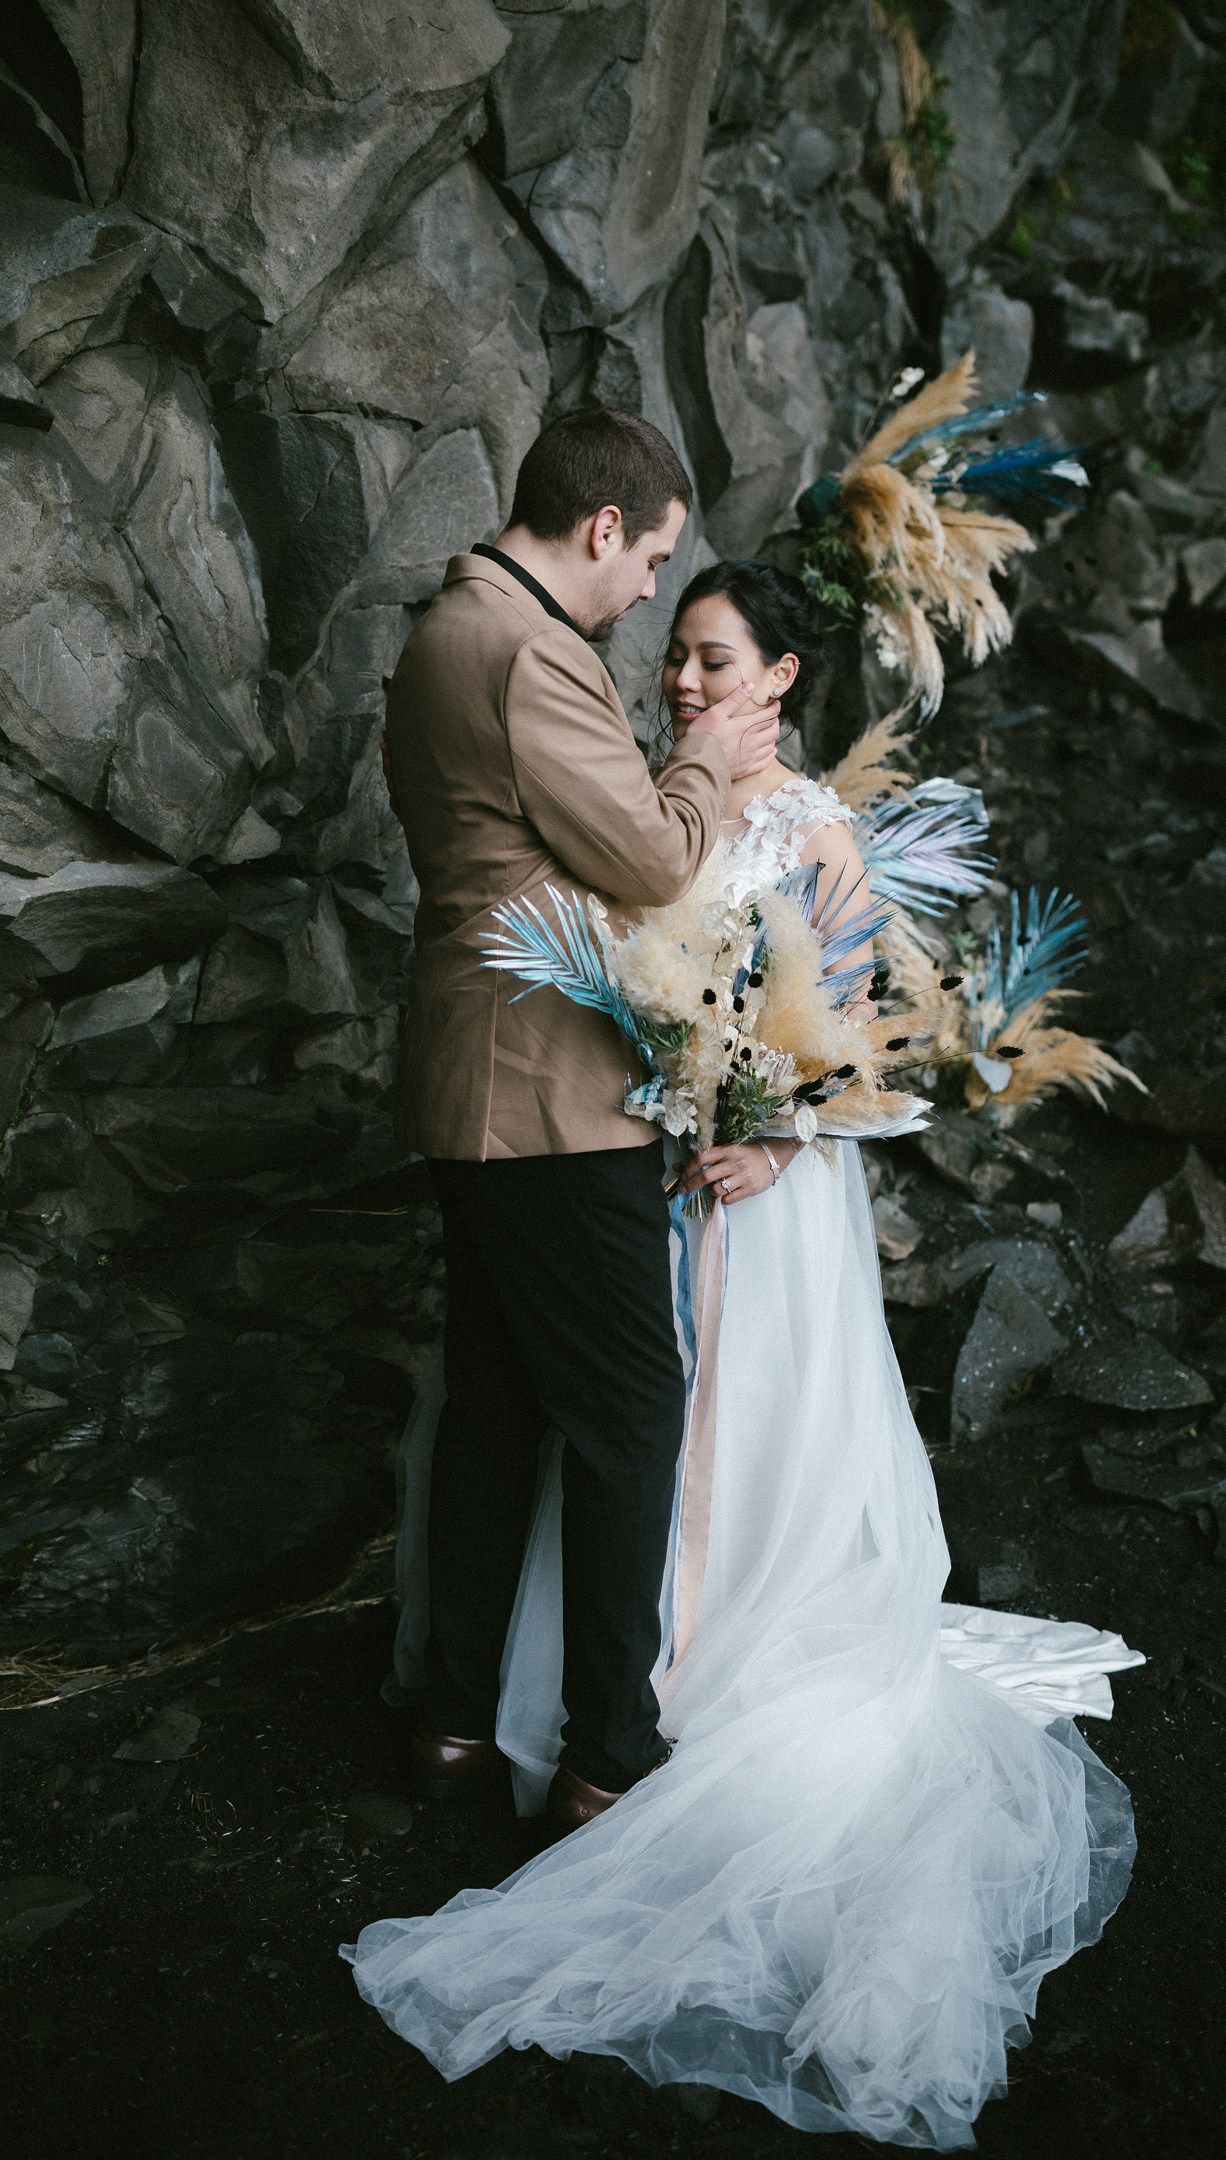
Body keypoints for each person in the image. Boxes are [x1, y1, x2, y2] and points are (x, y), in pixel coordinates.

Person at [349, 561, 1142, 2150]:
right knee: (618, 1420)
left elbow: (845, 1032)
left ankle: (696, 1683)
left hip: (761, 1198)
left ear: (784, 673)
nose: (687, 688)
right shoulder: (659, 799)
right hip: (638, 1173)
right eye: (678, 664)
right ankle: (594, 1693)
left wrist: (772, 1139)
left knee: (723, 1430)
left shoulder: (819, 835)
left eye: (715, 664)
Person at [382, 410, 782, 1836]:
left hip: (472, 1087)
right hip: (547, 1098)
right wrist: (715, 753)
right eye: (651, 564)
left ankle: (452, 1729)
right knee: (627, 1415)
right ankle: (610, 1756)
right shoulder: (521, 650)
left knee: (498, 1416)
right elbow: (661, 865)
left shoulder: (450, 627)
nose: (645, 606)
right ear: (604, 527)